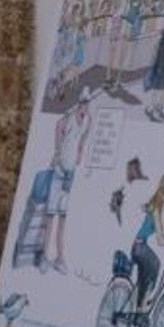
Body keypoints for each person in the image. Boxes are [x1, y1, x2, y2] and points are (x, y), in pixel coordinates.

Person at [39, 87, 92, 275]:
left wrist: (80, 151)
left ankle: (60, 257)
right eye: (83, 103)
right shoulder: (69, 117)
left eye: (87, 103)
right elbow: (58, 127)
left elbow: (84, 135)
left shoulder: (87, 121)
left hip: (70, 173)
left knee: (63, 216)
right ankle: (45, 255)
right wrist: (57, 151)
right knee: (51, 214)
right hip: (60, 169)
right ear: (79, 103)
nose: (84, 106)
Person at [132, 174, 164, 312]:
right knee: (156, 264)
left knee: (143, 280)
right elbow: (160, 241)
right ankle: (144, 304)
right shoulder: (156, 210)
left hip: (136, 247)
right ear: (163, 191)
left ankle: (139, 309)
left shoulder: (153, 206)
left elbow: (145, 209)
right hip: (140, 247)